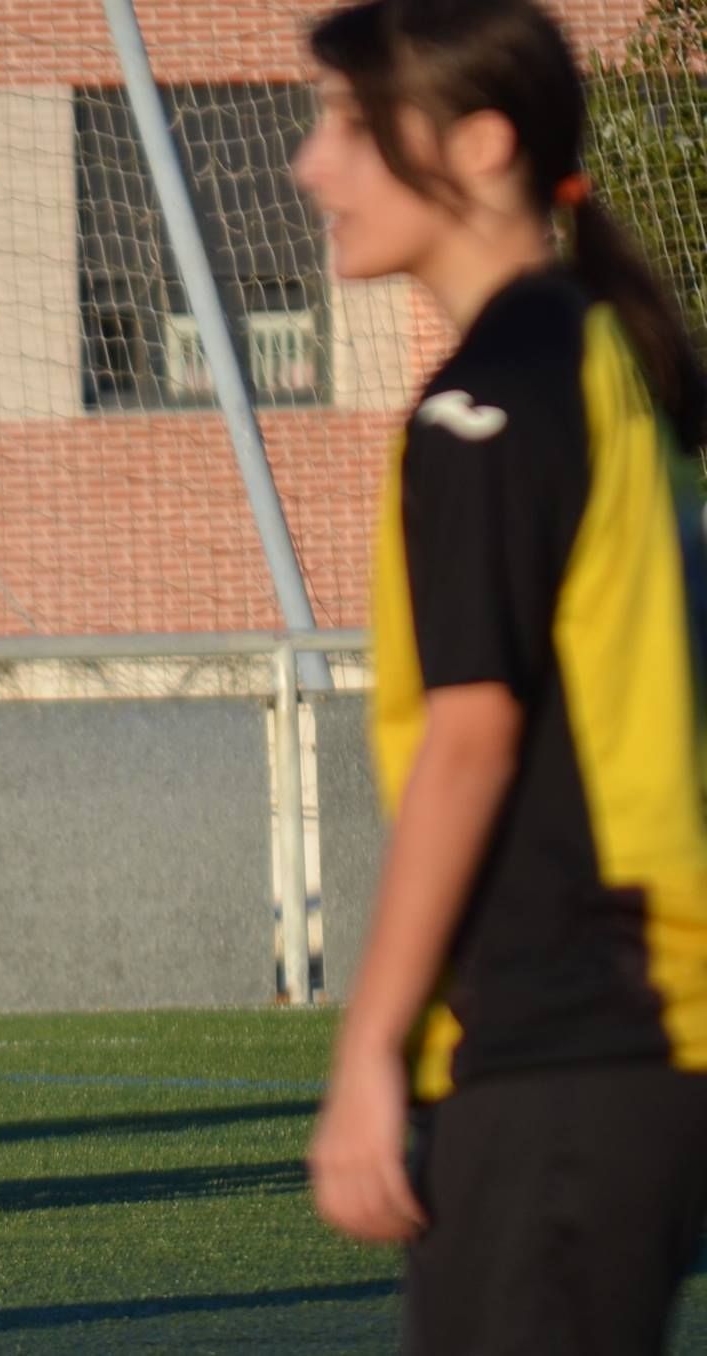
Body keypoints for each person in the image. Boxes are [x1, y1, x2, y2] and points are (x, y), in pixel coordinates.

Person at [296, 2, 707, 1349]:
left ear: (478, 144)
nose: (313, 167)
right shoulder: (588, 347)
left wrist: (368, 1052)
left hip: (574, 1032)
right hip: (616, 1034)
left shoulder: (488, 400)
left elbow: (474, 742)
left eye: (351, 126)